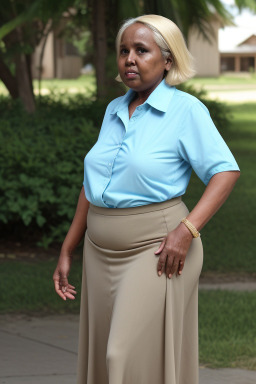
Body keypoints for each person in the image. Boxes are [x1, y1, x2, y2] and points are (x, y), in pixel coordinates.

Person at [53, 14, 240, 384]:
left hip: (155, 249)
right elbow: (93, 185)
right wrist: (67, 248)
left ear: (167, 60)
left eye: (142, 50)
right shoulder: (114, 109)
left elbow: (225, 172)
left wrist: (187, 230)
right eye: (124, 51)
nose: (129, 60)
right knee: (105, 360)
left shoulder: (186, 111)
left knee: (120, 354)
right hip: (99, 250)